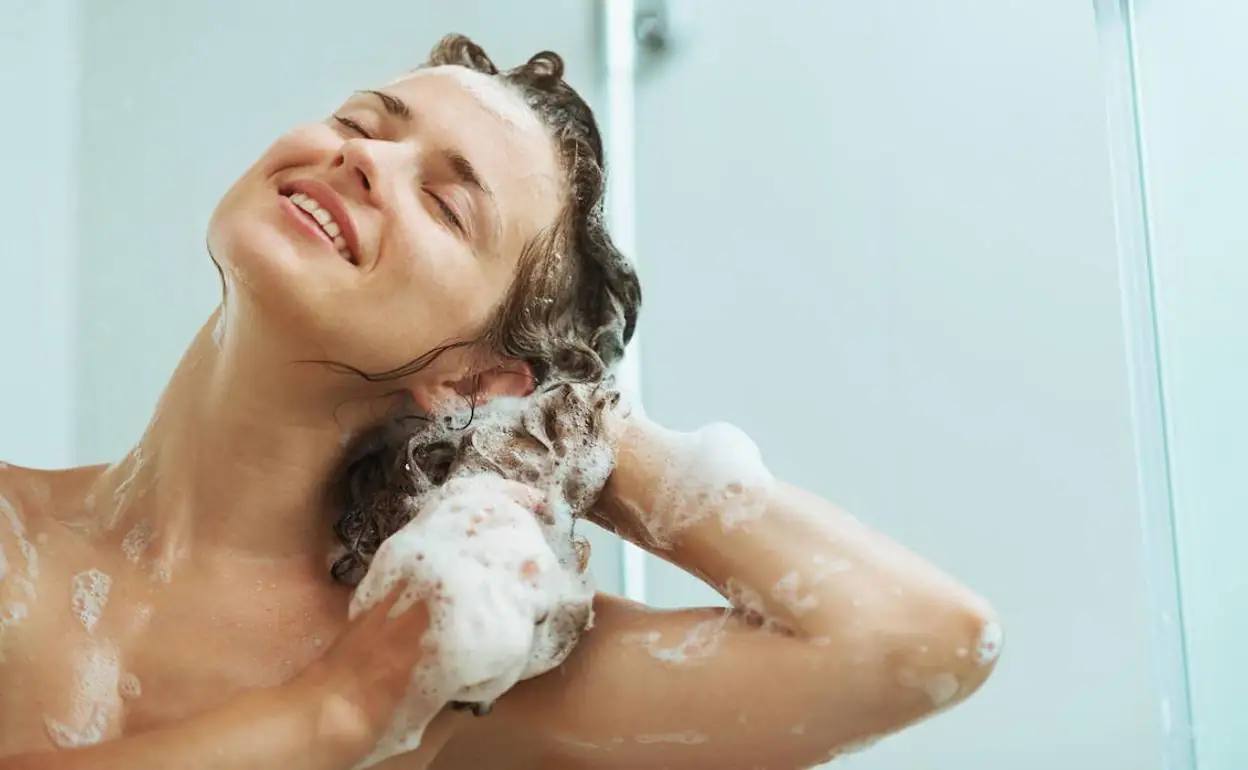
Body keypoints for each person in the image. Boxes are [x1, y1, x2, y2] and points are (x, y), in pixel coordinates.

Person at [0, 33, 1001, 770]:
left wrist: (583, 430)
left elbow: (917, 640)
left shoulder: (449, 666)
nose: (362, 157)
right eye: (359, 121)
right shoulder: (384, 676)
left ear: (475, 378)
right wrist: (340, 712)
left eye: (445, 201)